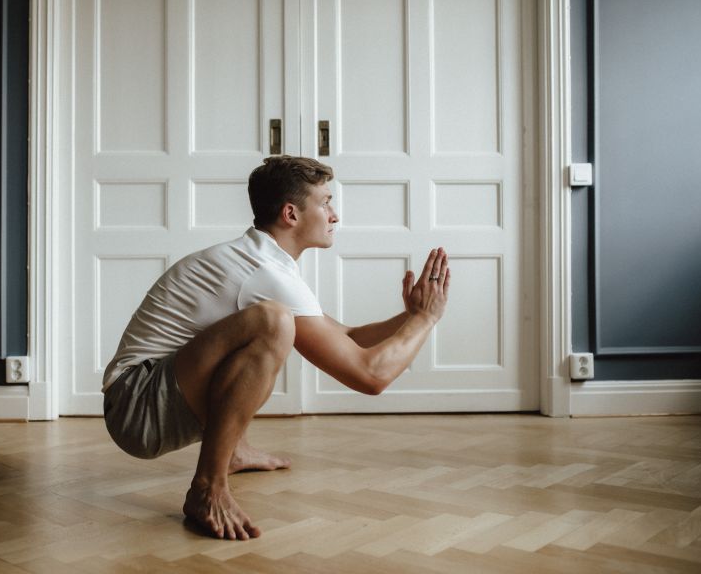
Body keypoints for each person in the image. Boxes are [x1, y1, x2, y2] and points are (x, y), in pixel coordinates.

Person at [102, 155, 450, 541]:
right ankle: (208, 487)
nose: (334, 215)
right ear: (291, 214)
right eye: (325, 203)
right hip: (137, 409)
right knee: (274, 321)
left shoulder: (265, 262)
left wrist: (410, 314)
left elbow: (346, 338)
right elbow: (370, 376)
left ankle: (232, 451)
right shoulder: (264, 273)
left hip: (149, 398)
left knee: (276, 320)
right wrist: (426, 320)